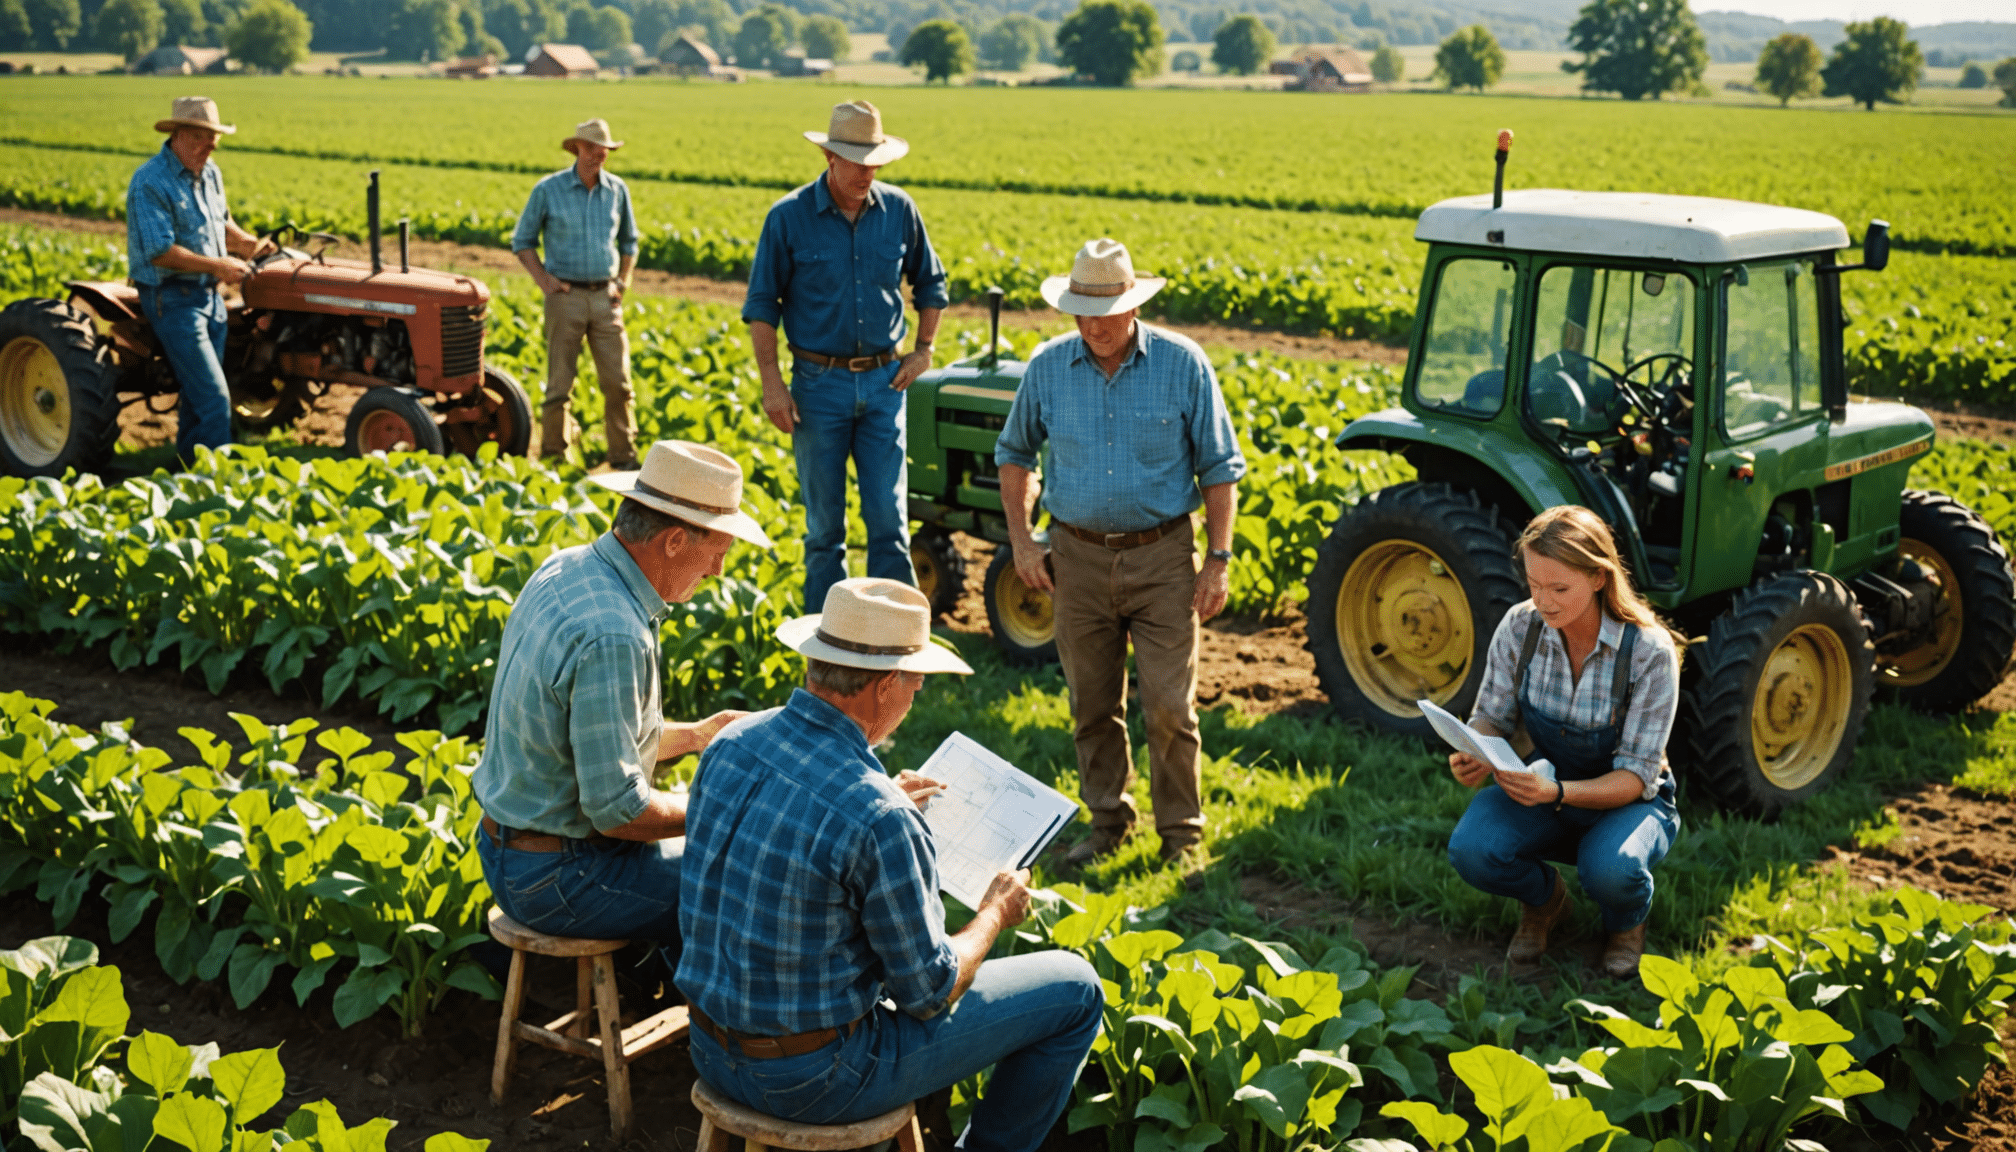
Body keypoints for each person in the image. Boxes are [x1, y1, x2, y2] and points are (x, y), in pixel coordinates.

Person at [677, 577, 1103, 1152]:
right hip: (816, 1080)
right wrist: (995, 913)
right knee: (1076, 989)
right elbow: (930, 991)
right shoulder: (879, 817)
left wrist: (884, 793)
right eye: (915, 682)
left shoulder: (732, 743)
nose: (914, 696)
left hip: (707, 1047)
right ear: (883, 687)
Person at [472, 439, 772, 973]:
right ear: (676, 540)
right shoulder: (615, 633)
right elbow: (618, 813)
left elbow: (593, 741)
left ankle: (658, 980)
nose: (720, 571)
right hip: (556, 878)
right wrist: (729, 812)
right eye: (718, 551)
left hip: (506, 848)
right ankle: (732, 1042)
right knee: (751, 875)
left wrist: (699, 735)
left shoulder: (569, 568)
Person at [994, 238, 1247, 867]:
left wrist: (1218, 558)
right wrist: (1024, 541)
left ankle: (1181, 835)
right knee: (1091, 703)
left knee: (1168, 706)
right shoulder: (1049, 367)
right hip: (1075, 559)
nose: (1094, 325)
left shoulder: (1182, 364)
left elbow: (1220, 466)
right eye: (1082, 311)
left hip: (1163, 557)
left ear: (1132, 306)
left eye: (1106, 311)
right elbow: (1015, 453)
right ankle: (1107, 821)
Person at [1444, 505, 1684, 977]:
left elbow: (1637, 777)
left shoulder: (1648, 653)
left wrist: (1556, 793)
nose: (1544, 601)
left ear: (1598, 578)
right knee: (1472, 849)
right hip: (1545, 784)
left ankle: (1625, 925)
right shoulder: (1521, 626)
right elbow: (1491, 717)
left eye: (1559, 588)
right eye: (1535, 585)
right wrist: (1475, 750)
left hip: (1628, 801)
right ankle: (1546, 902)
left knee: (1612, 870)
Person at [745, 101, 950, 612]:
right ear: (829, 157)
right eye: (856, 161)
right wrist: (773, 385)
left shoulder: (899, 210)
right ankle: (824, 643)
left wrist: (923, 350)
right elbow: (761, 307)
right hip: (819, 386)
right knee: (824, 531)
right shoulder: (788, 218)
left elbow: (931, 283)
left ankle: (895, 636)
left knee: (889, 522)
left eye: (874, 161)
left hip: (886, 384)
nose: (867, 172)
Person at [126, 96, 275, 463]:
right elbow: (159, 251)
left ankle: (188, 469)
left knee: (196, 395)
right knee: (214, 398)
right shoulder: (150, 182)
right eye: (199, 140)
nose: (207, 150)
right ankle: (215, 483)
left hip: (211, 298)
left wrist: (244, 243)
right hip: (172, 300)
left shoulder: (210, 173)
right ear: (177, 135)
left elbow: (217, 223)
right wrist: (218, 266)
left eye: (213, 142)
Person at [513, 119, 641, 469]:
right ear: (576, 149)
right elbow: (522, 241)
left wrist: (623, 282)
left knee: (618, 384)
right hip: (564, 298)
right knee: (560, 385)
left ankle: (623, 459)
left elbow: (630, 242)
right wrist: (544, 281)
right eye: (591, 150)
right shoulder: (548, 189)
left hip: (605, 298)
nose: (597, 156)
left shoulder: (617, 190)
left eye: (603, 152)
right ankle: (555, 458)